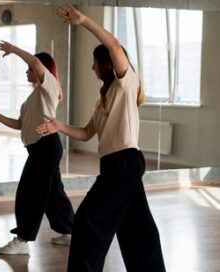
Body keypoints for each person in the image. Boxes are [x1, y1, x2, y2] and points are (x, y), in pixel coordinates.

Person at [36, 5, 166, 271]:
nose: (92, 66)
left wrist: (83, 20)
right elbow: (86, 133)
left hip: (124, 163)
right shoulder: (105, 98)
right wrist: (60, 126)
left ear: (106, 63)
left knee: (88, 222)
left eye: (95, 61)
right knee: (136, 228)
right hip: (116, 165)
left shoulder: (126, 83)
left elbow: (115, 46)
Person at [0, 40, 74, 254]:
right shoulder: (35, 96)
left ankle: (22, 240)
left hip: (45, 147)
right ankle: (70, 232)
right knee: (52, 194)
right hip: (40, 148)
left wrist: (14, 50)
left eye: (29, 69)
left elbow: (37, 63)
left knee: (29, 193)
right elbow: (20, 124)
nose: (27, 72)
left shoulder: (49, 86)